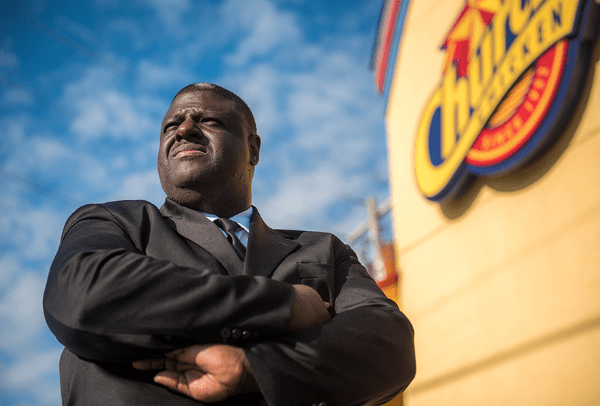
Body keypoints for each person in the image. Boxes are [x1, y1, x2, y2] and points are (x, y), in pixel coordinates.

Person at [43, 83, 416, 406]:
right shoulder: (113, 222)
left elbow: (389, 343)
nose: (184, 129)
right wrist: (283, 305)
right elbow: (82, 292)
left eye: (208, 120)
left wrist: (256, 369)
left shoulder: (322, 250)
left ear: (253, 150)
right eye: (171, 125)